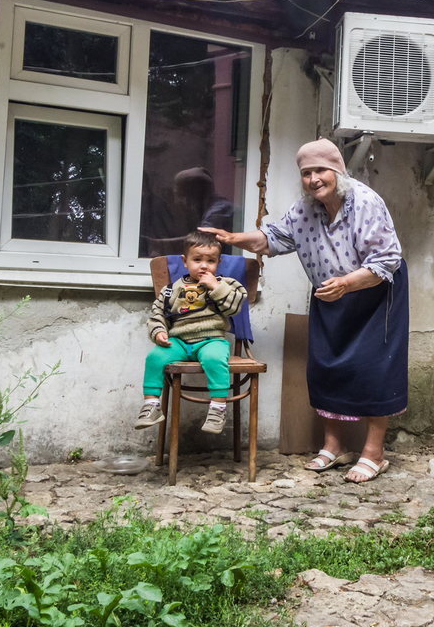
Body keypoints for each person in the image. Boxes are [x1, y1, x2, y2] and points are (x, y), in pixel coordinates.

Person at [200, 139, 408, 483]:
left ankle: (374, 453)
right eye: (306, 173)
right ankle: (334, 446)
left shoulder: (365, 202)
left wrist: (347, 283)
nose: (314, 179)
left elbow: (387, 259)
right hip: (331, 292)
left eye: (321, 170)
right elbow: (271, 239)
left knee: (374, 368)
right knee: (325, 365)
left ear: (338, 171)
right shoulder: (305, 209)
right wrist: (233, 239)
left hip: (375, 290)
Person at [134, 230, 247, 435]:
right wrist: (159, 332)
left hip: (211, 340)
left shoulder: (226, 284)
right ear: (185, 261)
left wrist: (216, 287)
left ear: (218, 262)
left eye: (210, 260)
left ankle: (218, 409)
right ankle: (151, 405)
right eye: (197, 259)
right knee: (154, 356)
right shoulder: (170, 290)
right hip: (178, 342)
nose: (204, 265)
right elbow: (158, 314)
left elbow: (234, 308)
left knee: (214, 359)